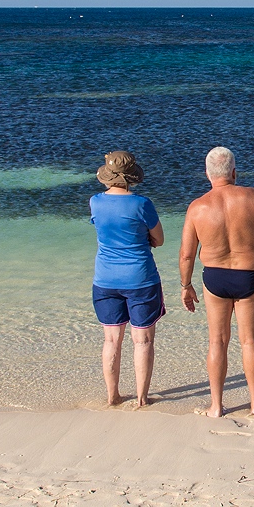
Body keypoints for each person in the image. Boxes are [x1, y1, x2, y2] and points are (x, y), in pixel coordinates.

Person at [179, 146, 254, 417]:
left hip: (215, 278)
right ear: (234, 172)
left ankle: (216, 407)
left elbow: (186, 254)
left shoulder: (197, 207)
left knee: (217, 342)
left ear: (207, 174)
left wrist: (186, 285)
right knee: (250, 342)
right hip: (249, 276)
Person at [89, 150, 166, 408]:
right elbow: (159, 239)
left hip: (105, 278)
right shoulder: (142, 204)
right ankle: (143, 398)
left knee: (111, 340)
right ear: (131, 177)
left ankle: (113, 396)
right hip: (140, 278)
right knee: (142, 340)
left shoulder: (95, 202)